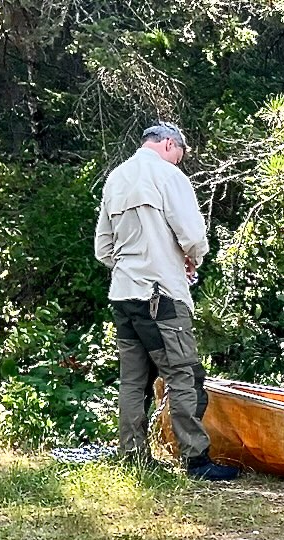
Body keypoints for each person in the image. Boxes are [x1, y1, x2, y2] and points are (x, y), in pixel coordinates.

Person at [93, 122, 239, 481]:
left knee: (133, 381)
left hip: (124, 295)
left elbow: (103, 248)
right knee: (184, 374)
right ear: (170, 144)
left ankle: (133, 456)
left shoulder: (116, 178)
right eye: (180, 155)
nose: (179, 162)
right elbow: (191, 234)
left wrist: (131, 266)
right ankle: (196, 461)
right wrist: (191, 259)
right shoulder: (168, 176)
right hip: (162, 297)